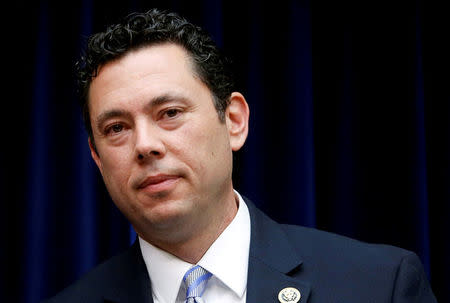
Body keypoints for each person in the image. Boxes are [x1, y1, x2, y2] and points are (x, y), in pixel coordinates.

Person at [43, 8, 437, 303]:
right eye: (116, 129)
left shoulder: (380, 285)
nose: (145, 145)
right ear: (96, 157)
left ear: (233, 121)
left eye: (170, 113)